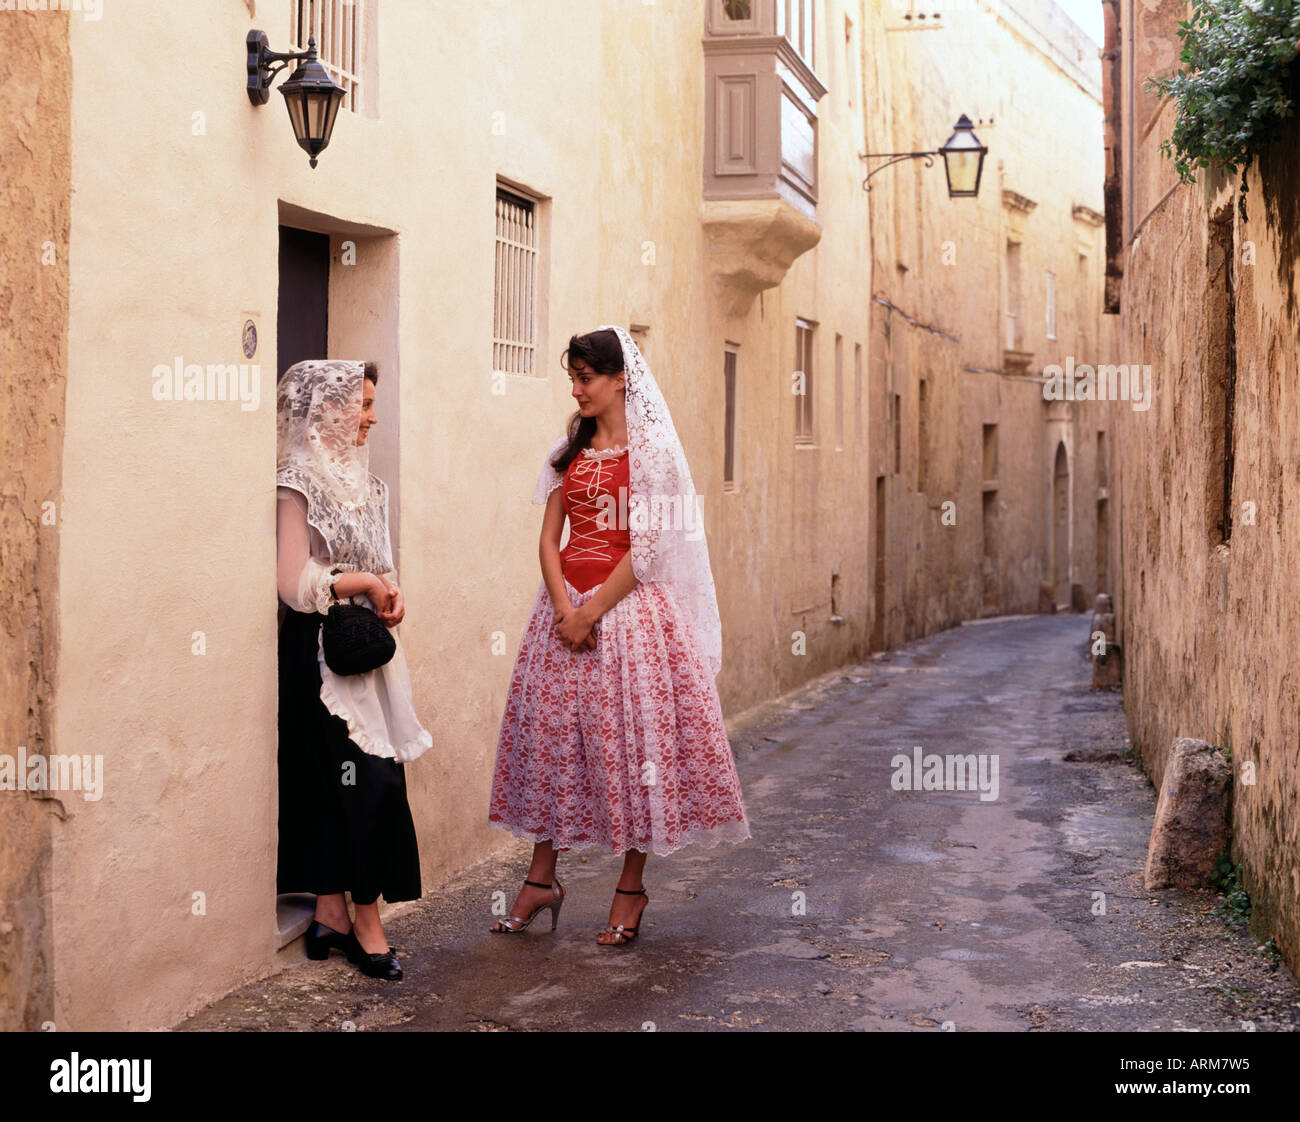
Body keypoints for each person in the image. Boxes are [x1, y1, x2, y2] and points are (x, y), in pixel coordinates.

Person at [488, 326, 750, 945]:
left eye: (586, 378)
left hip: (627, 616)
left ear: (618, 379)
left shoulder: (653, 451)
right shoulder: (569, 448)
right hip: (561, 614)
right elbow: (550, 537)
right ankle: (540, 879)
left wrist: (591, 612)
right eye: (572, 379)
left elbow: (649, 547)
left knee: (633, 751)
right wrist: (561, 606)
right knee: (553, 744)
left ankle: (629, 887)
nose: (577, 390)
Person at [275, 359, 431, 980]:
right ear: (327, 409)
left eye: (371, 404)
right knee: (349, 784)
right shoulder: (294, 484)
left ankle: (333, 914)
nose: (370, 417)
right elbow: (291, 581)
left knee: (376, 782)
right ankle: (361, 922)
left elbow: (382, 565)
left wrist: (389, 594)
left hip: (365, 652)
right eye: (361, 404)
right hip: (317, 654)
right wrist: (357, 582)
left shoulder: (370, 488)